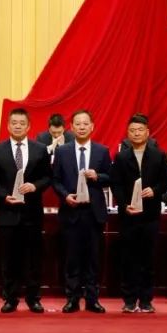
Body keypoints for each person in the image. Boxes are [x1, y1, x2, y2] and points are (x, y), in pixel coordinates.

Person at [0, 108, 51, 313]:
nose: (17, 126)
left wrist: (35, 186)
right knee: (8, 259)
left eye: (22, 123)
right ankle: (10, 298)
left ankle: (34, 298)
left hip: (32, 213)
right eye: (14, 122)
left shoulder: (40, 149)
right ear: (8, 125)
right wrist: (4, 195)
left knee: (33, 258)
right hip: (7, 212)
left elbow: (47, 177)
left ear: (28, 126)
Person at [109, 114, 167, 314]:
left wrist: (155, 190)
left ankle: (145, 300)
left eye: (140, 130)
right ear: (128, 134)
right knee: (128, 259)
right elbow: (116, 184)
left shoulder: (158, 155)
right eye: (132, 130)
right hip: (128, 216)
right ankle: (129, 300)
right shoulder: (121, 157)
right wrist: (124, 204)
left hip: (150, 216)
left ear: (147, 132)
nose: (136, 133)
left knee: (148, 259)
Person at [52, 110, 112, 313]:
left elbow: (110, 177)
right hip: (71, 211)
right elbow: (55, 180)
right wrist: (65, 196)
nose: (82, 127)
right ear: (71, 127)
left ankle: (92, 299)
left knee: (94, 258)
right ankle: (72, 298)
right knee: (72, 258)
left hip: (94, 213)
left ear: (92, 126)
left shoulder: (102, 151)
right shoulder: (62, 151)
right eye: (78, 124)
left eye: (86, 124)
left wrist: (98, 176)